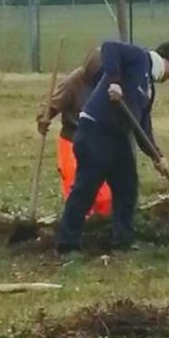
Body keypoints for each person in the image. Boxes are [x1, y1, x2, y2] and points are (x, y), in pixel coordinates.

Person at [56, 39, 169, 254]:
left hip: (117, 136)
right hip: (95, 129)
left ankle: (123, 241)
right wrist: (114, 81)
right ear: (168, 63)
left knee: (127, 188)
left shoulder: (148, 90)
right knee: (85, 189)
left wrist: (156, 156)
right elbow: (109, 47)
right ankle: (67, 244)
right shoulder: (138, 57)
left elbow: (142, 127)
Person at [36, 47, 112, 217]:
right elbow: (51, 104)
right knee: (79, 193)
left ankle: (103, 227)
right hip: (71, 142)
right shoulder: (73, 83)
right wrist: (44, 116)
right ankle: (77, 232)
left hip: (98, 143)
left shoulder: (111, 84)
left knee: (105, 197)